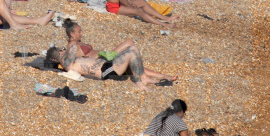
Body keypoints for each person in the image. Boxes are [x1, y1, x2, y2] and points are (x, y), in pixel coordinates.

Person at [45, 21, 177, 89]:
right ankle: (140, 83)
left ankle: (145, 78)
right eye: (60, 51)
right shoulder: (69, 54)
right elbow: (68, 65)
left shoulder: (71, 54)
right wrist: (68, 51)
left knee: (133, 49)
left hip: (106, 65)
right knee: (131, 51)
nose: (82, 33)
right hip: (105, 68)